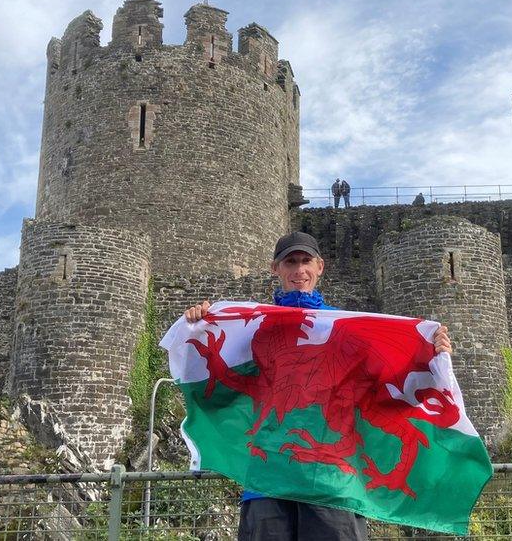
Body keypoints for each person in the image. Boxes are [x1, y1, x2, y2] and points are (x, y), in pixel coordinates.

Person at [185, 231, 452, 541]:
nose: (299, 270)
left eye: (305, 261)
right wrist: (199, 327)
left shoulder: (345, 328)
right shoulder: (253, 330)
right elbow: (224, 387)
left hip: (331, 480)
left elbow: (386, 383)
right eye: (291, 262)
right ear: (276, 269)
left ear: (320, 266)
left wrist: (431, 356)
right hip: (268, 476)